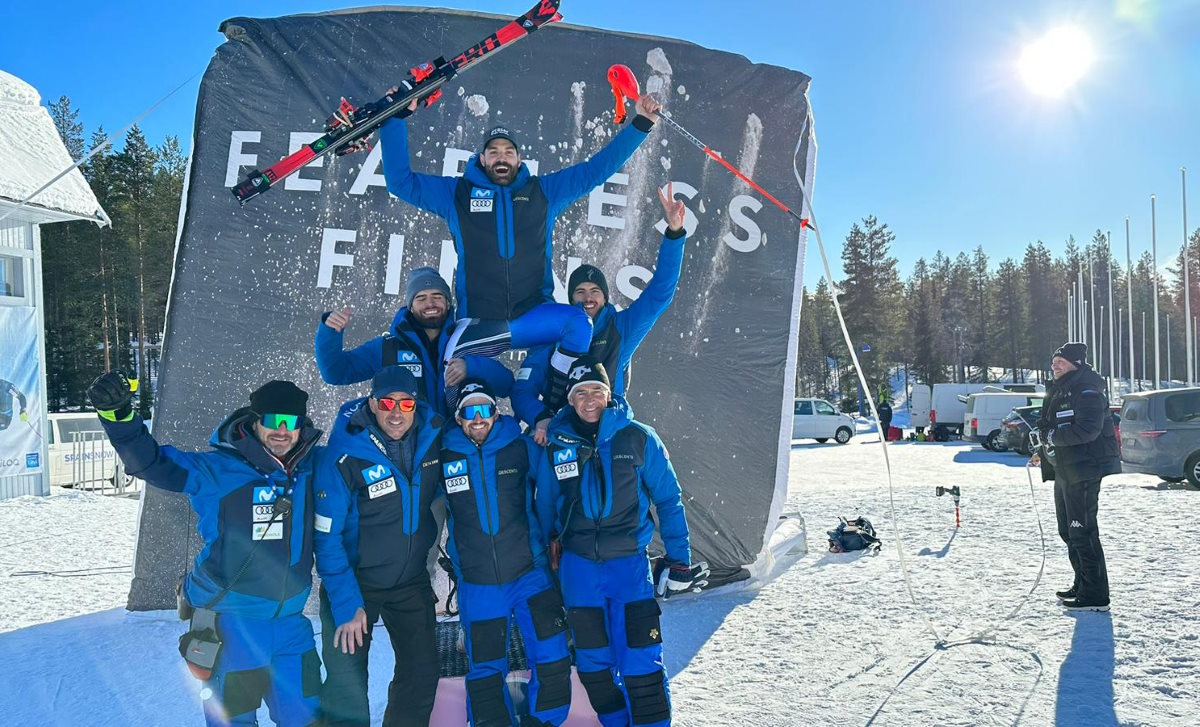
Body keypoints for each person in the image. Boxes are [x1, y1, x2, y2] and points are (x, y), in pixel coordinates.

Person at [379, 93, 662, 411]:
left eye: (509, 152)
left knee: (579, 324)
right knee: (448, 381)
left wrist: (641, 123)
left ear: (519, 160)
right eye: (494, 152)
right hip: (479, 324)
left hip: (532, 316)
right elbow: (400, 183)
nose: (502, 158)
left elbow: (595, 171)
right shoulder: (456, 195)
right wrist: (395, 118)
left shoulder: (543, 193)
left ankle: (557, 404)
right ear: (482, 159)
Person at [87, 373, 323, 726]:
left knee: (307, 720)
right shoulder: (217, 469)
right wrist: (118, 417)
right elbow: (151, 464)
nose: (281, 430)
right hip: (234, 629)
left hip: (292, 627)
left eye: (290, 422)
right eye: (272, 420)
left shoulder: (312, 468)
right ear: (254, 421)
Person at [534, 359, 708, 727]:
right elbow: (546, 505)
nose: (589, 400)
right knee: (593, 664)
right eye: (580, 393)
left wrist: (679, 560)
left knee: (640, 659)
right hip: (578, 568)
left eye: (596, 390)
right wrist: (545, 555)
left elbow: (669, 500)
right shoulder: (557, 442)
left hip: (628, 566)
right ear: (570, 399)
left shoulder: (638, 436)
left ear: (608, 392)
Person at [313, 365, 447, 726]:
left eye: (406, 404)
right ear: (372, 404)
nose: (396, 412)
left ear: (415, 406)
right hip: (356, 584)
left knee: (421, 675)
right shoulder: (343, 454)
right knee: (347, 686)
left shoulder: (433, 437)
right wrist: (346, 602)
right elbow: (326, 539)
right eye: (387, 402)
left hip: (409, 582)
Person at [439, 379, 572, 727]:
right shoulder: (443, 455)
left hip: (530, 574)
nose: (478, 418)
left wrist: (544, 424)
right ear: (458, 418)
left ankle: (543, 722)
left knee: (552, 655)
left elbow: (552, 484)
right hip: (479, 582)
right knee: (485, 669)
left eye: (484, 409)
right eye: (469, 412)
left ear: (496, 413)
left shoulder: (520, 445)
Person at [512, 182, 687, 443]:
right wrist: (541, 418)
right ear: (570, 299)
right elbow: (522, 392)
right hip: (557, 434)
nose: (588, 297)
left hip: (606, 435)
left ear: (605, 297)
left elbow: (659, 294)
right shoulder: (550, 334)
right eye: (580, 291)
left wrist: (674, 233)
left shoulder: (620, 329)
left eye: (595, 290)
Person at [315, 266, 514, 415]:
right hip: (412, 453)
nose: (430, 303)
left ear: (447, 302)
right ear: (410, 306)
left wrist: (471, 367)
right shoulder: (389, 347)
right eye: (421, 298)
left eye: (437, 296)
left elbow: (506, 384)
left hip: (458, 451)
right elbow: (336, 373)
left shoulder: (466, 340)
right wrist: (329, 332)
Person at [1030, 342, 1118, 612]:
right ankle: (1083, 583)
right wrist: (1041, 451)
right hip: (1064, 470)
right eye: (1054, 361)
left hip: (1085, 470)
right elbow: (1049, 427)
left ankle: (1096, 594)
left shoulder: (1087, 391)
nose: (1055, 365)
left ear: (1076, 364)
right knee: (1068, 531)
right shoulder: (1059, 390)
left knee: (1083, 531)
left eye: (1061, 362)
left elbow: (1088, 430)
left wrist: (1052, 437)